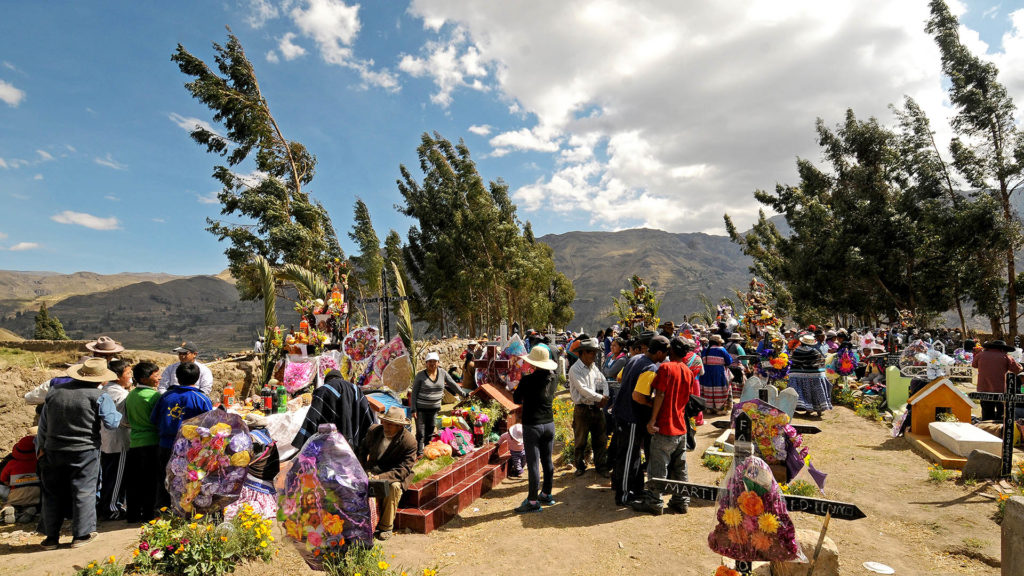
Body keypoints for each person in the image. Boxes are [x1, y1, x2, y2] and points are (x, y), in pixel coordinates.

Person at [37, 358, 123, 550]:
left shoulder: (55, 392)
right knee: (84, 490)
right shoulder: (99, 396)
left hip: (53, 450)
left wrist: (40, 447)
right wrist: (118, 414)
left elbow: (44, 424)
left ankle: (50, 538)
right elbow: (112, 423)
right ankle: (81, 535)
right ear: (101, 378)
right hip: (84, 451)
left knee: (52, 493)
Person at [636, 337, 699, 515]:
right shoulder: (688, 371)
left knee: (658, 466)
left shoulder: (665, 368)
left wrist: (652, 420)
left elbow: (660, 395)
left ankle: (655, 502)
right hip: (681, 426)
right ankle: (681, 501)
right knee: (680, 467)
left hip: (665, 425)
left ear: (671, 351)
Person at [610, 335, 669, 507]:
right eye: (664, 353)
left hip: (621, 412)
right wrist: (651, 403)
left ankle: (634, 488)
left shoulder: (635, 358)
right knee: (628, 456)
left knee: (632, 454)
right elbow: (637, 396)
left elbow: (620, 378)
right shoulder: (650, 368)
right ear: (659, 352)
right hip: (632, 417)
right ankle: (623, 495)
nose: (665, 357)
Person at [151, 362, 213, 507]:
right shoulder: (201, 398)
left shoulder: (166, 397)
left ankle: (163, 512)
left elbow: (154, 419)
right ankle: (187, 511)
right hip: (191, 450)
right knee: (189, 481)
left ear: (177, 378)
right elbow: (209, 426)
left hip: (166, 445)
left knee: (165, 479)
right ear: (197, 378)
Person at [511, 345, 559, 513]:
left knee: (533, 463)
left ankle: (532, 500)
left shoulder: (527, 380)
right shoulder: (554, 378)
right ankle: (546, 493)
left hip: (532, 425)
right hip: (549, 424)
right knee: (547, 460)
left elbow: (516, 398)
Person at [358, 407, 417, 540]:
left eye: (391, 424)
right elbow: (362, 449)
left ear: (400, 426)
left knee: (394, 487)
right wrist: (362, 467)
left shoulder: (409, 441)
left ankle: (386, 526)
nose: (387, 427)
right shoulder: (374, 431)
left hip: (395, 473)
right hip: (374, 469)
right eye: (385, 422)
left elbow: (403, 470)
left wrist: (380, 478)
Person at [292, 369, 374, 451]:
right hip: (354, 446)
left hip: (332, 447)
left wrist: (303, 442)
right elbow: (365, 411)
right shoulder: (356, 389)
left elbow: (313, 417)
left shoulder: (323, 390)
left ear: (327, 380)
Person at [124, 361, 162, 522]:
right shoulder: (155, 397)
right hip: (151, 442)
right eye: (156, 375)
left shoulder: (131, 395)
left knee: (135, 482)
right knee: (151, 482)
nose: (159, 378)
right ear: (144, 378)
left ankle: (132, 514)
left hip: (134, 442)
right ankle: (148, 515)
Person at [568, 337, 610, 477]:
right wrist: (601, 398)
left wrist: (605, 395)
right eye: (591, 352)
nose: (594, 355)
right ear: (582, 353)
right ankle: (580, 466)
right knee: (581, 440)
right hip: (583, 409)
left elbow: (603, 381)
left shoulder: (594, 367)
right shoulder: (575, 369)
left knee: (601, 439)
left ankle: (601, 466)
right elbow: (583, 389)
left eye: (594, 352)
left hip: (596, 408)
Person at [410, 352, 465, 456]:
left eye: (434, 361)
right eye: (430, 362)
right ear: (426, 363)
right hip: (421, 409)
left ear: (438, 363)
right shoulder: (420, 375)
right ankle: (419, 453)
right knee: (420, 433)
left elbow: (452, 384)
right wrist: (413, 409)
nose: (432, 364)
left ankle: (428, 451)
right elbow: (414, 393)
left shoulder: (442, 373)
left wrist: (463, 393)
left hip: (434, 409)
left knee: (430, 431)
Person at [97, 358, 132, 521]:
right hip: (119, 441)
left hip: (106, 440)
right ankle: (112, 508)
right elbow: (125, 419)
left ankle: (107, 504)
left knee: (110, 475)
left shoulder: (104, 390)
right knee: (118, 477)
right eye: (128, 373)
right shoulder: (121, 394)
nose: (131, 376)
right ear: (118, 376)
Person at [972, 340, 1023, 421]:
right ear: (1003, 349)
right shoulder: (1006, 356)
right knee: (1001, 414)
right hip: (1001, 390)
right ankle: (999, 430)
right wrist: (1020, 366)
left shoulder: (981, 355)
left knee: (986, 414)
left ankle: (986, 428)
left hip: (983, 389)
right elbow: (1017, 370)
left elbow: (974, 365)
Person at [789, 332, 833, 416]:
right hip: (816, 374)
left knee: (804, 390)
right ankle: (818, 409)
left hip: (798, 374)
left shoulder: (797, 351)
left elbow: (794, 361)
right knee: (815, 391)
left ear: (801, 342)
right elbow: (821, 361)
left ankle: (807, 409)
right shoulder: (815, 351)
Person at [700, 335, 733, 415]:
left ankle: (709, 408)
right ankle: (720, 408)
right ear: (718, 342)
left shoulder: (705, 350)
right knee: (722, 389)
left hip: (706, 373)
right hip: (719, 373)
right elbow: (728, 361)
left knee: (709, 389)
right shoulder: (721, 350)